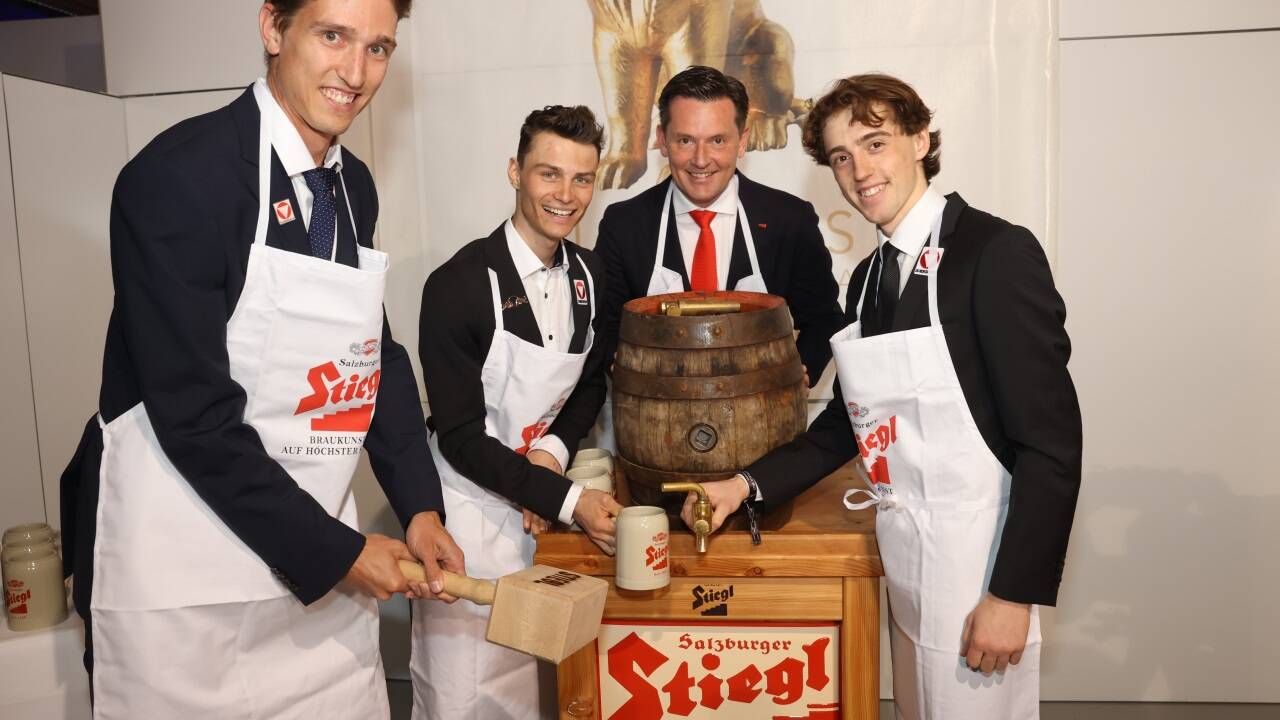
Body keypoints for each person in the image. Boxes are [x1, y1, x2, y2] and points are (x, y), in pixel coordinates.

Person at [56, 1, 463, 717]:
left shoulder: (351, 186)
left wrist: (421, 509)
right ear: (273, 28)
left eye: (378, 48)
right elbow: (195, 416)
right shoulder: (180, 178)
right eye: (332, 36)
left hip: (313, 581)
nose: (355, 72)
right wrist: (338, 553)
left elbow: (371, 353)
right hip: (188, 580)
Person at [683, 74, 1082, 718]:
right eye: (841, 157)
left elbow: (1052, 443)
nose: (859, 171)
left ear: (921, 139)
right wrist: (745, 485)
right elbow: (850, 423)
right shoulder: (869, 278)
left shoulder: (993, 253)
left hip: (980, 561)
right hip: (905, 558)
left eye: (875, 144)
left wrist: (1013, 594)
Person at [411, 105, 622, 720]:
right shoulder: (457, 284)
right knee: (463, 692)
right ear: (515, 171)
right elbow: (459, 436)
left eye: (582, 179)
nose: (565, 195)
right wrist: (564, 498)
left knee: (533, 690)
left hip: (537, 513)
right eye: (548, 174)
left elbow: (589, 383)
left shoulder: (592, 275)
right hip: (466, 516)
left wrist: (548, 456)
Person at [595, 64, 844, 390]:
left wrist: (799, 370)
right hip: (657, 409)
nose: (701, 160)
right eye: (685, 140)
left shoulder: (789, 220)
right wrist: (629, 371)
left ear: (742, 141)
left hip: (763, 409)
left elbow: (824, 318)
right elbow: (605, 326)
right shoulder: (624, 225)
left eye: (717, 140)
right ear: (662, 140)